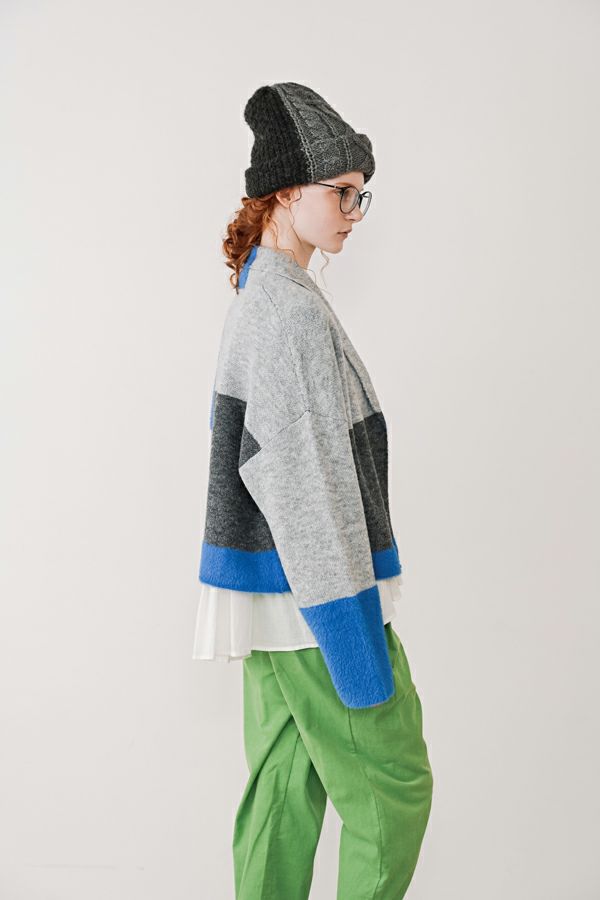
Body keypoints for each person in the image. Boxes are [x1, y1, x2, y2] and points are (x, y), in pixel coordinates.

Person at [194, 81, 433, 899]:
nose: (355, 213)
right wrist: (353, 639)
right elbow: (305, 486)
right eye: (343, 192)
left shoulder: (266, 290)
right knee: (395, 790)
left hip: (272, 598)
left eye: (363, 195)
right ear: (288, 189)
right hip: (314, 599)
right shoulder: (287, 313)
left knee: (281, 798)